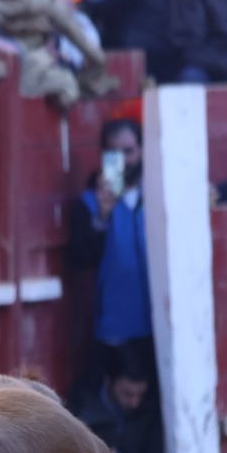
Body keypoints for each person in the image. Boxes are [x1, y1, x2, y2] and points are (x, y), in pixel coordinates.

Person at [67, 118, 150, 393]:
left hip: (158, 322)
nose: (124, 161)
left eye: (129, 151)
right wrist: (101, 218)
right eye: (115, 153)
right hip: (116, 327)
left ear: (142, 151)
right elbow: (80, 259)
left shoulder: (159, 194)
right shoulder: (89, 203)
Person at [72, 338, 165, 453]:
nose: (134, 402)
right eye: (127, 394)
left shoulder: (149, 412)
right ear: (108, 382)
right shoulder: (82, 410)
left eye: (140, 395)